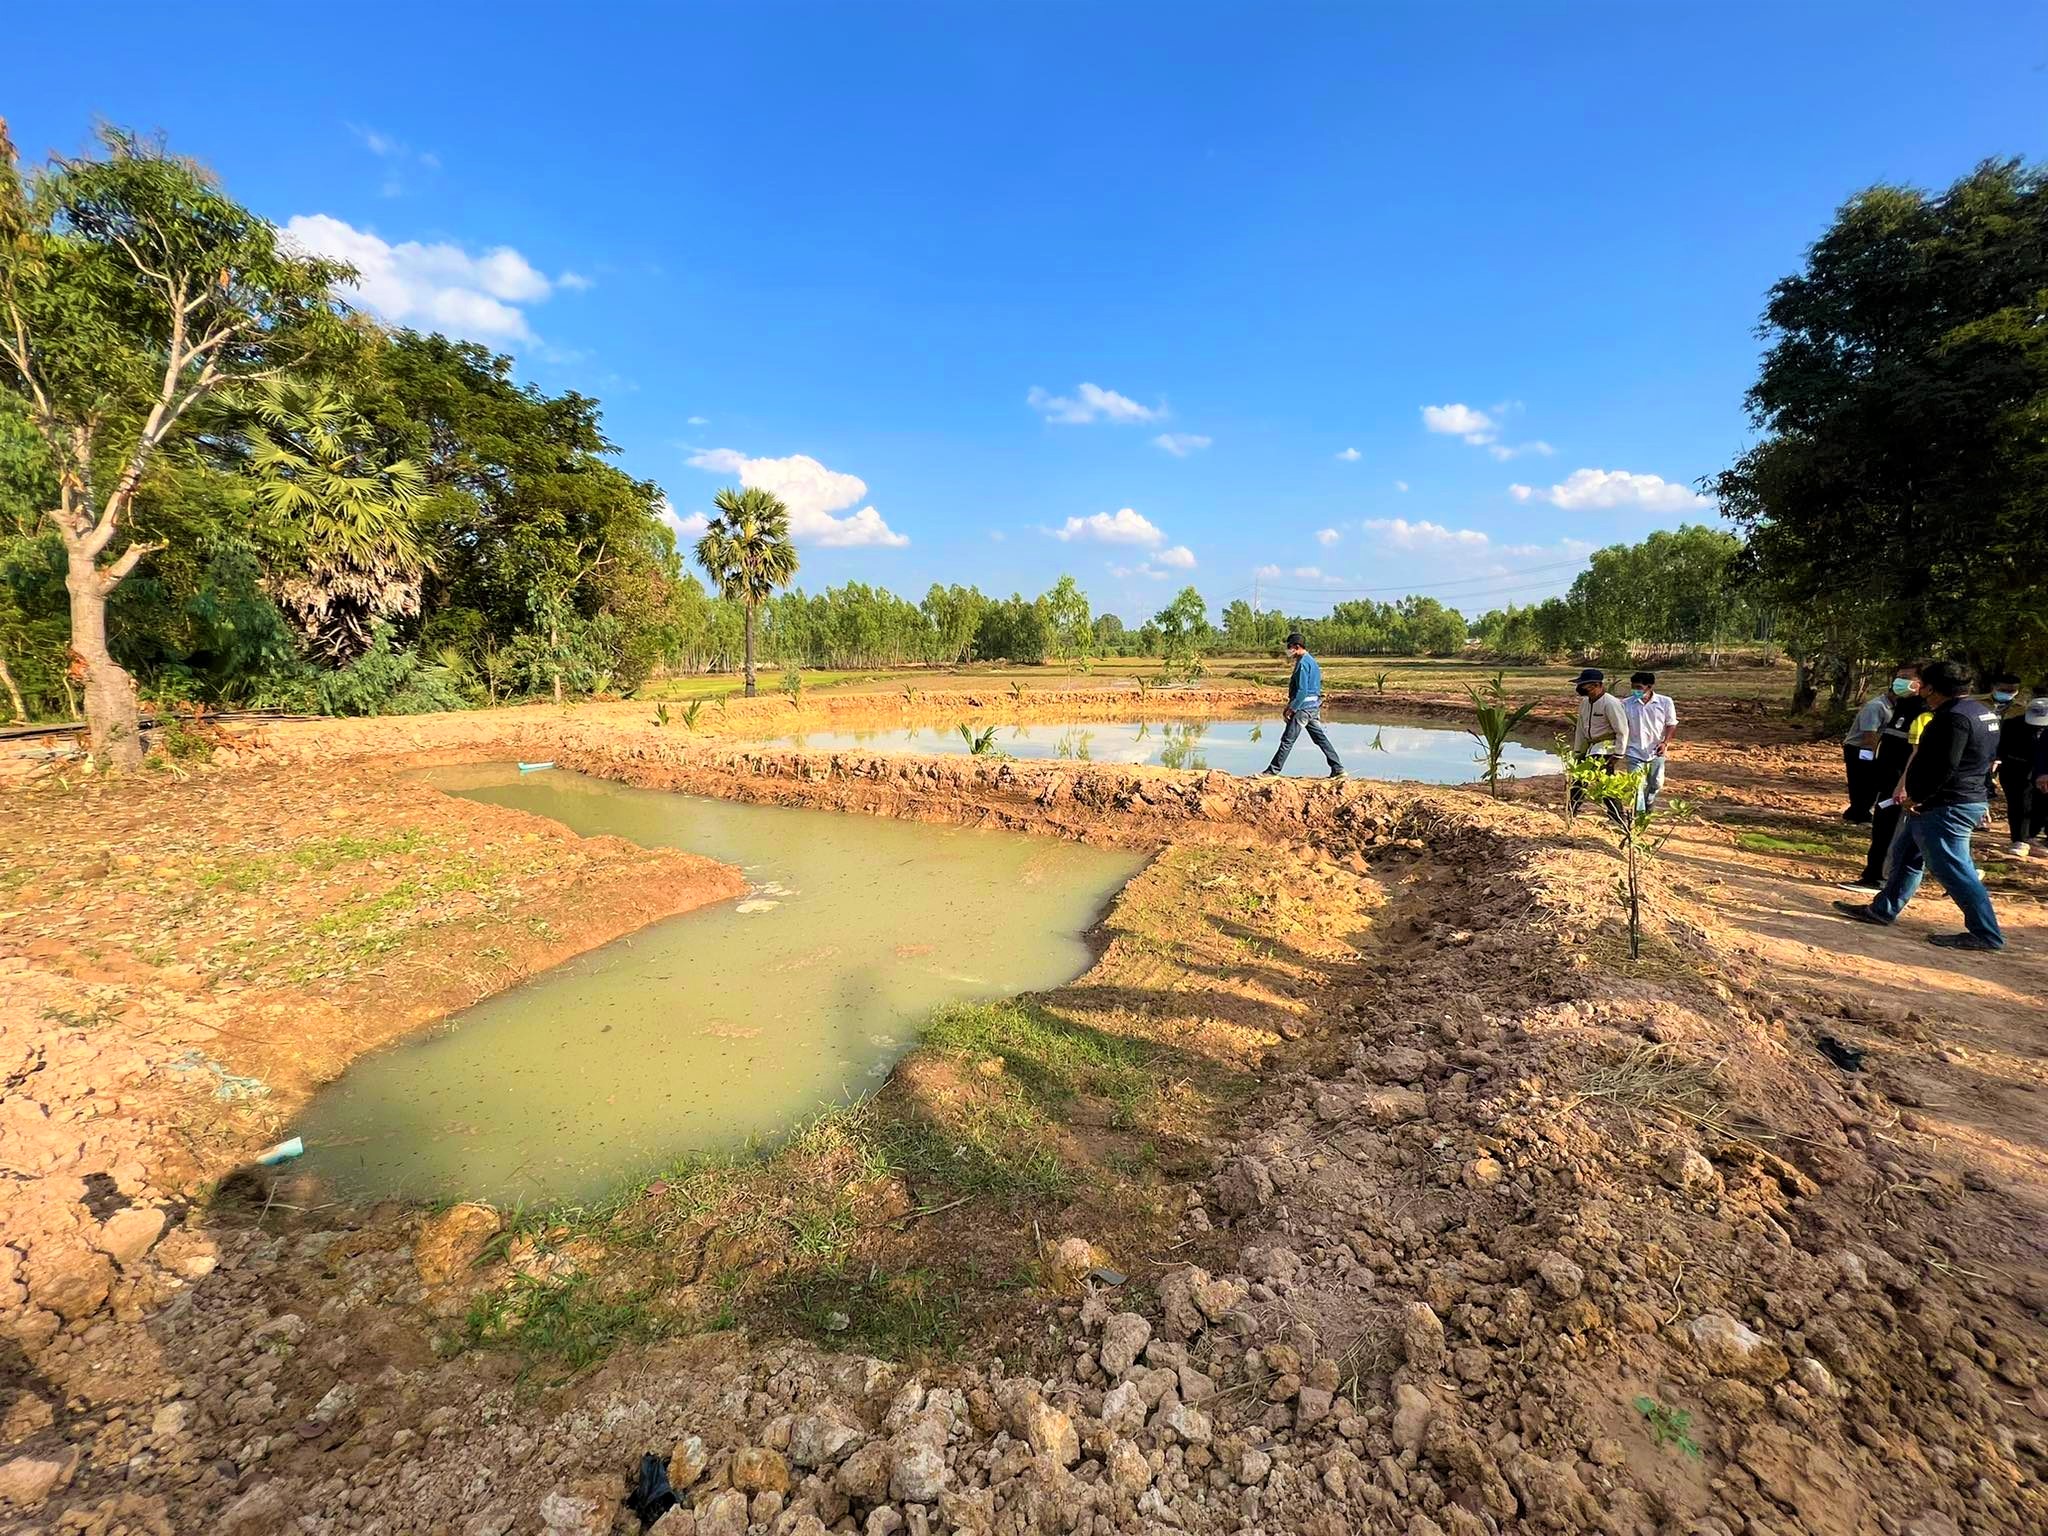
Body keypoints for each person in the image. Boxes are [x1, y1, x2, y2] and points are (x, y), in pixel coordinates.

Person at [1833, 659, 2004, 951]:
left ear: (1933, 688)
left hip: (1947, 804)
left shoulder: (1952, 719)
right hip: (1954, 798)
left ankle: (1985, 933)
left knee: (1953, 868)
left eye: (1922, 684)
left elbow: (1944, 766)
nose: (1919, 689)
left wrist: (1919, 797)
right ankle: (1882, 910)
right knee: (1906, 855)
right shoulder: (1981, 712)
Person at [1841, 664, 1924, 893]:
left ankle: (1881, 879)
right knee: (1882, 829)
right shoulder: (1902, 707)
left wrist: (1904, 784)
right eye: (1898, 678)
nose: (1899, 682)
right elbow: (1883, 743)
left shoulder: (1926, 713)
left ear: (1923, 684)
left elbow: (1917, 753)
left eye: (1906, 678)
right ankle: (1873, 875)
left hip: (1902, 786)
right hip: (1888, 780)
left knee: (1894, 833)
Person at [1261, 632, 1344, 779]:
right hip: (1313, 707)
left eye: (1289, 647)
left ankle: (1272, 771)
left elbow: (1302, 690)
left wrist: (1291, 708)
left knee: (1287, 740)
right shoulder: (1311, 661)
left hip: (1303, 708)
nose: (1288, 650)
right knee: (1320, 738)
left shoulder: (1303, 664)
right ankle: (1338, 768)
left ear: (1297, 647)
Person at [1989, 673, 2047, 857]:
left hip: (2042, 769)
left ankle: (2032, 835)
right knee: (2019, 803)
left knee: (2040, 804)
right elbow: (2001, 746)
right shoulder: (2013, 725)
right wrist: (1996, 760)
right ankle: (2020, 839)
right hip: (2015, 768)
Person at [1569, 667, 1630, 821]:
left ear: (1597, 685)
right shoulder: (1585, 703)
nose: (1581, 689)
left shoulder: (1610, 703)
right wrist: (1578, 752)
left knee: (1601, 782)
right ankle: (1572, 810)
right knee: (1581, 779)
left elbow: (1622, 729)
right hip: (1591, 747)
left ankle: (1617, 817)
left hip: (1605, 748)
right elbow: (1581, 729)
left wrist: (1618, 753)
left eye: (1585, 686)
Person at [1840, 680, 1895, 824]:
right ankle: (1859, 813)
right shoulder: (1876, 707)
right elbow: (1869, 737)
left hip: (1875, 748)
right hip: (1860, 748)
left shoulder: (1896, 707)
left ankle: (1856, 812)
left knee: (1871, 784)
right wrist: (1875, 758)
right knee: (1862, 782)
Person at [1622, 670, 1677, 809]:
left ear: (1650, 687)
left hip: (1656, 750)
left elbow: (1671, 724)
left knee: (1656, 783)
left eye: (1639, 688)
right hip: (1633, 750)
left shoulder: (1665, 702)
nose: (1636, 690)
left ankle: (1649, 801)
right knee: (1636, 786)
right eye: (1633, 687)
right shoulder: (1626, 704)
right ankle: (1639, 815)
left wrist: (1665, 743)